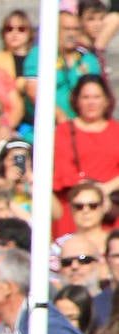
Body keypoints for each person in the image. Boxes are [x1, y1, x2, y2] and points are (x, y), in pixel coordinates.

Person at [52, 75, 119, 238]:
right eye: (86, 97)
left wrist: (106, 189)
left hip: (110, 208)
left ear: (106, 100)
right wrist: (87, 190)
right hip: (75, 205)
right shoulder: (63, 130)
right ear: (77, 100)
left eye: (96, 97)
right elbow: (63, 169)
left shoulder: (116, 131)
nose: (91, 103)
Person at [24, 11, 101, 125]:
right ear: (55, 29)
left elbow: (98, 94)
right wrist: (60, 116)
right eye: (67, 29)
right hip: (45, 127)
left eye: (75, 29)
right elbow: (33, 91)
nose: (71, 34)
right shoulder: (40, 54)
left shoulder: (89, 59)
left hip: (82, 126)